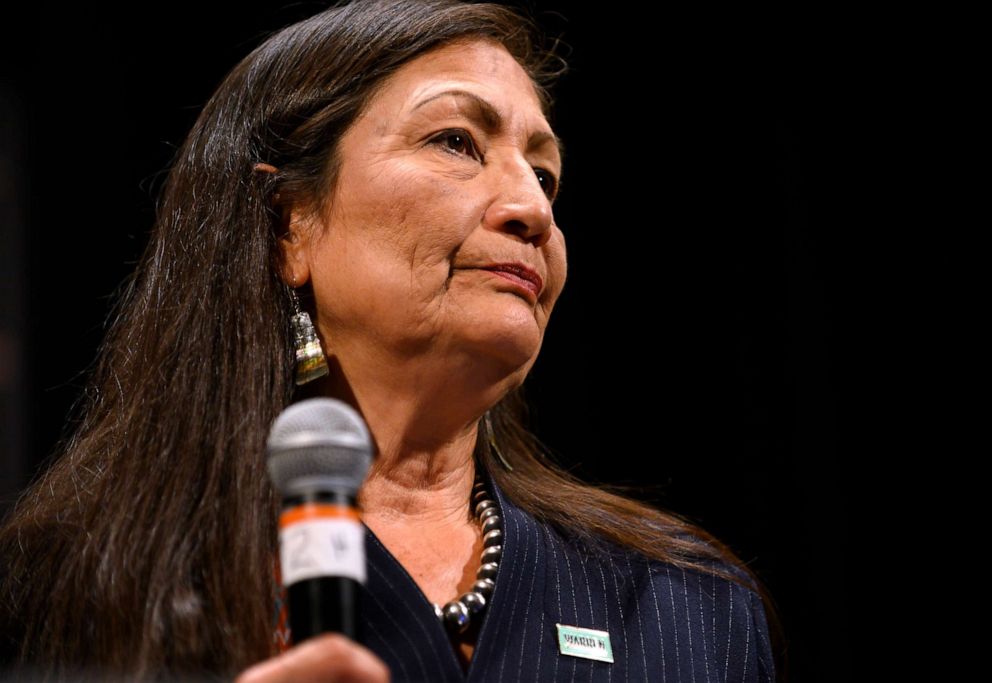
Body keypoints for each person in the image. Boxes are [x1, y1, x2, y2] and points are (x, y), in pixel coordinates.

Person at [0, 0, 781, 681]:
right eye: (455, 142)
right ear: (286, 225)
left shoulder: (686, 600)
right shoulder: (77, 581)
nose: (532, 211)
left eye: (545, 175)